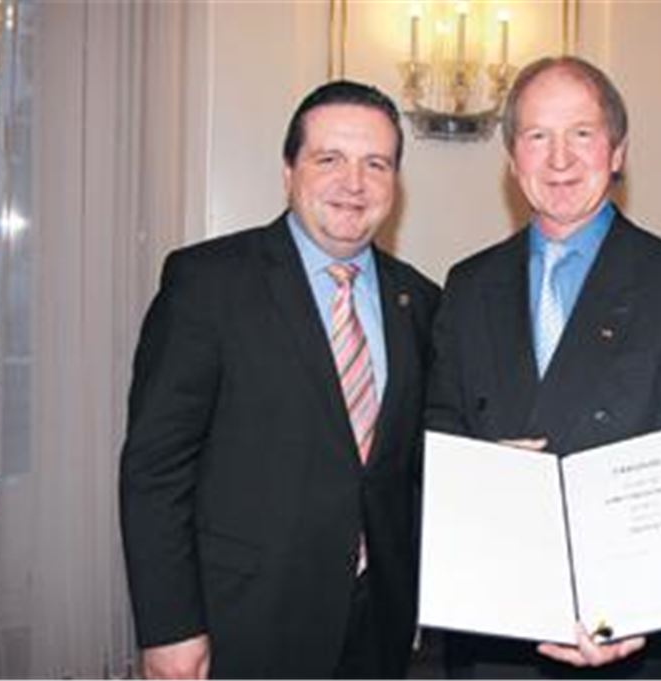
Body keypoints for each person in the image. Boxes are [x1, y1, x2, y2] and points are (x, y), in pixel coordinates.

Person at [119, 80, 440, 679]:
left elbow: (418, 462)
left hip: (379, 622)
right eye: (329, 160)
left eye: (376, 164)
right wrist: (169, 628)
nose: (354, 183)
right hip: (246, 622)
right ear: (289, 170)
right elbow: (154, 470)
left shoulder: (418, 300)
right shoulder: (207, 284)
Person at [426, 55, 661, 678]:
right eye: (538, 136)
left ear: (617, 151)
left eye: (581, 134)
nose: (559, 159)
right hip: (492, 629)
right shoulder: (467, 283)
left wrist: (624, 611)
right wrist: (482, 478)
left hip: (621, 634)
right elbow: (440, 430)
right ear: (513, 161)